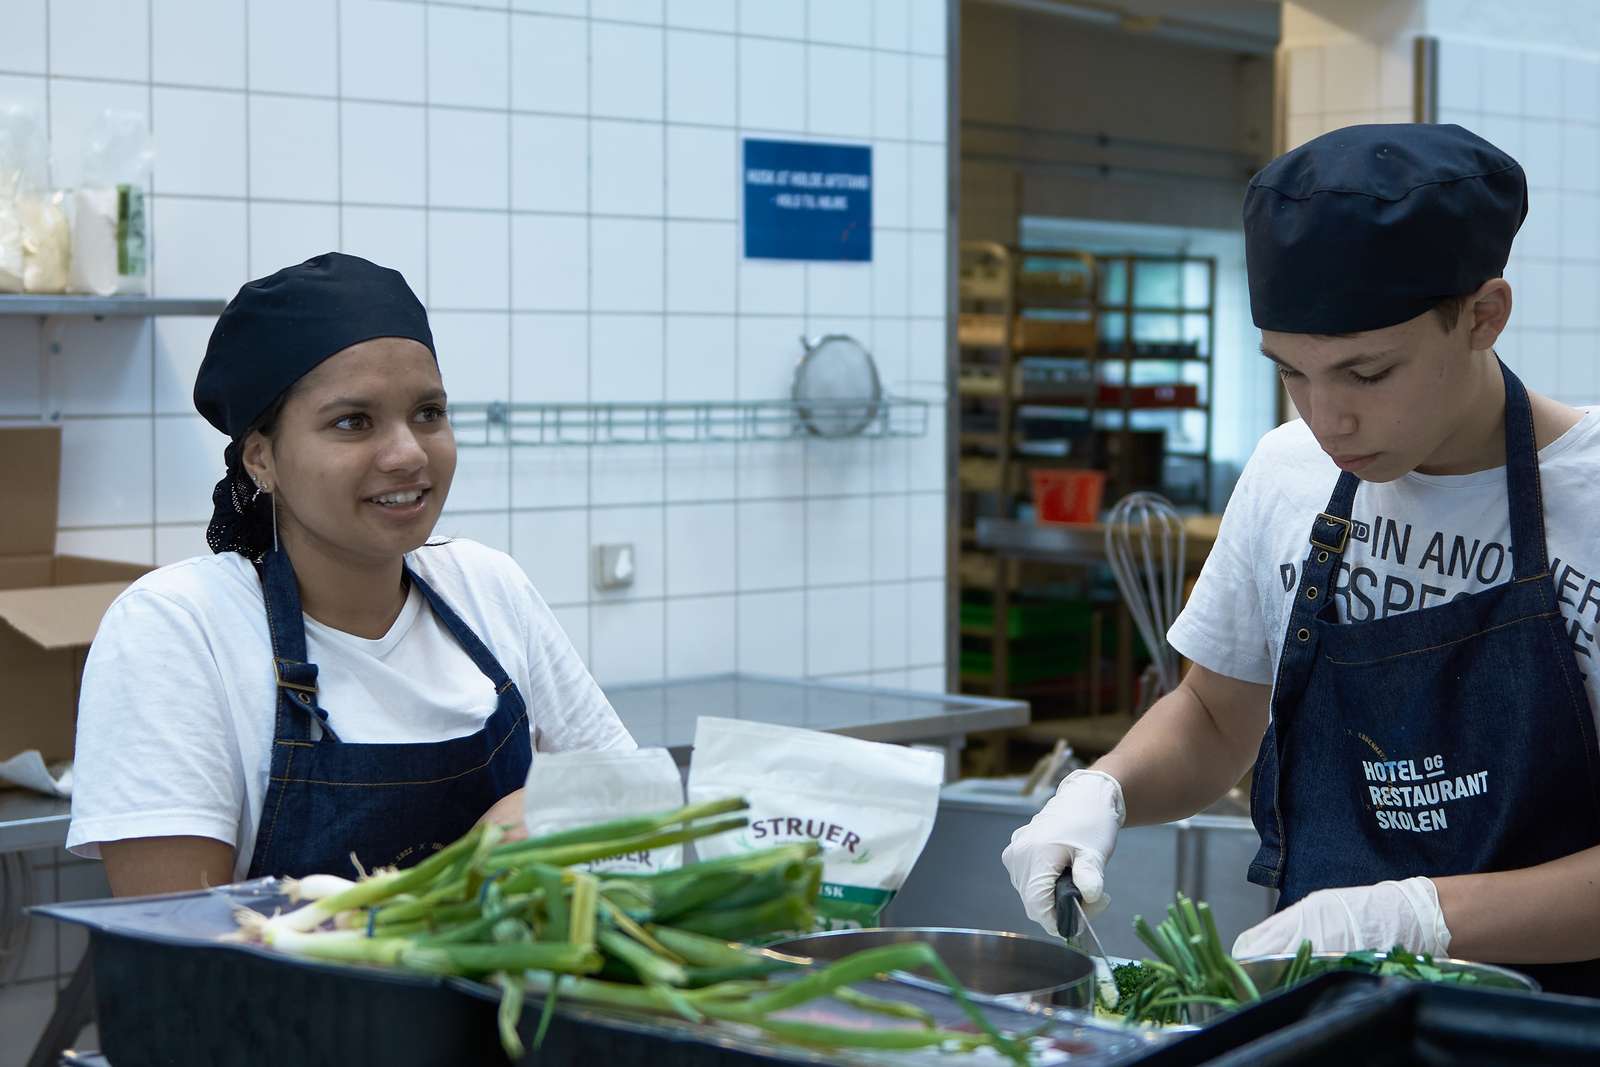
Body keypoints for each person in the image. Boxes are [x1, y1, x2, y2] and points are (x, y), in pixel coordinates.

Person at [1002, 124, 1600, 996]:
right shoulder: (1290, 472)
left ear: (1483, 315)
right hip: (1318, 1019)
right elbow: (1213, 716)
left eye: (1366, 374)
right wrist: (1103, 790)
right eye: (1292, 373)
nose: (1328, 420)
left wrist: (1414, 918)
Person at [67, 253, 632, 895]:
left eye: (428, 413)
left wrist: (560, 821)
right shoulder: (179, 629)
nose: (409, 453)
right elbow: (176, 946)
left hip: (500, 997)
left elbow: (630, 805)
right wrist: (464, 878)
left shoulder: (486, 586)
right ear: (262, 458)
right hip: (278, 999)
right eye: (352, 422)